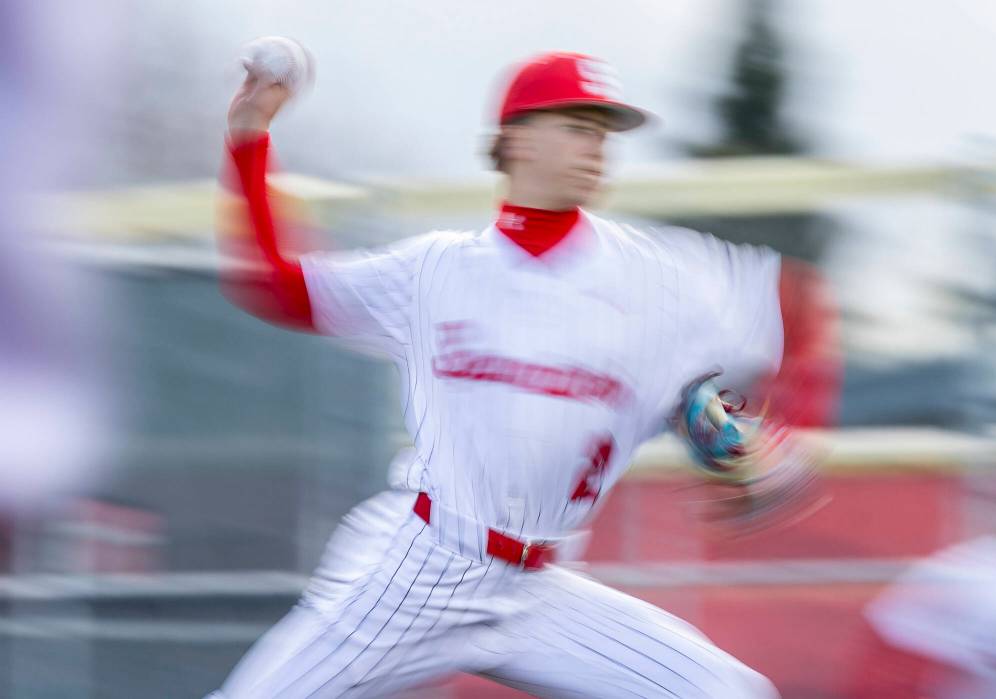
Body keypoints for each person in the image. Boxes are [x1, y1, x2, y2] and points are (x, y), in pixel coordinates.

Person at [209, 50, 838, 699]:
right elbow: (274, 283)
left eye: (603, 130)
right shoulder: (435, 272)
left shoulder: (662, 280)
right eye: (575, 124)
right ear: (513, 140)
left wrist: (793, 449)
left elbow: (802, 304)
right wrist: (249, 138)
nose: (596, 144)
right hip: (423, 570)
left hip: (538, 590)